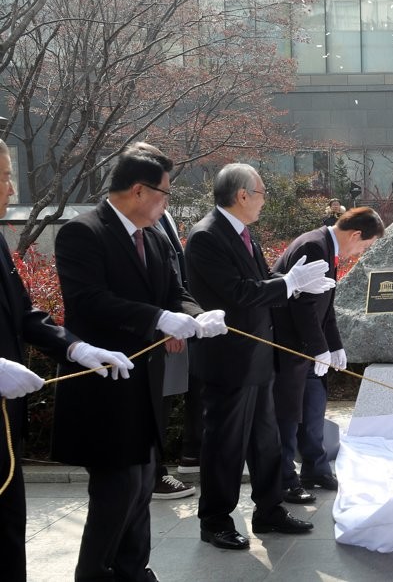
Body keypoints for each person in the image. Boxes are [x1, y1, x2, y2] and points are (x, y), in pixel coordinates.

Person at [52, 142, 226, 581]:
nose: (167, 202)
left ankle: (134, 569)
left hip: (144, 383)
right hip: (103, 382)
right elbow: (89, 301)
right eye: (164, 193)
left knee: (144, 479)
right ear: (138, 190)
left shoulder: (154, 236)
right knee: (117, 487)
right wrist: (158, 319)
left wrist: (194, 315)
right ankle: (94, 573)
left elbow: (175, 291)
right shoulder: (83, 232)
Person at [0, 140, 137, 582]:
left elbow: (24, 313)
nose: (9, 187)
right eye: (3, 176)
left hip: (5, 423)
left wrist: (76, 348)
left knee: (7, 533)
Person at [185, 163, 336, 551]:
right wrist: (287, 283)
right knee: (225, 446)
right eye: (262, 192)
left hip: (258, 357)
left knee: (265, 441)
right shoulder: (206, 236)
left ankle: (268, 510)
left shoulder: (242, 232)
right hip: (228, 361)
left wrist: (294, 285)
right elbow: (238, 293)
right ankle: (215, 520)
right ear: (242, 195)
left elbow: (261, 282)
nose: (264, 200)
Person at [272, 207, 384, 504]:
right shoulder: (314, 246)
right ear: (356, 234)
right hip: (290, 348)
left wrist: (335, 346)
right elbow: (302, 306)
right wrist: (319, 347)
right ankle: (285, 480)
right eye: (364, 245)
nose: (360, 252)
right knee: (288, 416)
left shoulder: (327, 247)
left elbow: (325, 306)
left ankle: (315, 469)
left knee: (313, 410)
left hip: (309, 349)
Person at [150, 209, 197, 499]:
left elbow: (174, 278)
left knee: (164, 402)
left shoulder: (161, 214)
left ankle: (155, 470)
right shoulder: (138, 221)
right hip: (154, 335)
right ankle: (154, 474)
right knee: (154, 404)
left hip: (171, 326)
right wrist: (164, 325)